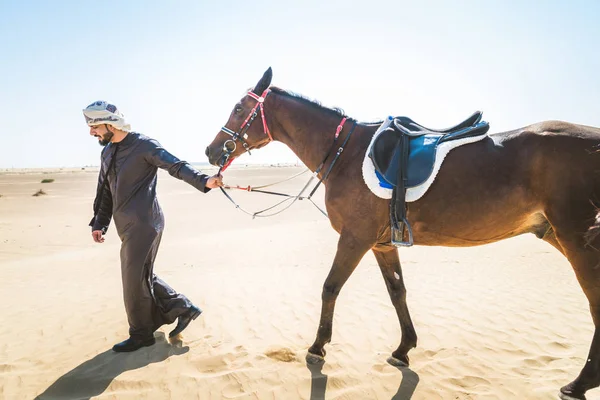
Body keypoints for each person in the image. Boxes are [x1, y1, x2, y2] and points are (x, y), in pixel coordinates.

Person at [83, 100, 223, 352]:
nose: (91, 132)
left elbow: (175, 165)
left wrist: (205, 180)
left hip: (145, 222)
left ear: (109, 123)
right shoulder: (107, 152)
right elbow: (104, 191)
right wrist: (99, 222)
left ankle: (141, 335)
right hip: (125, 224)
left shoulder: (144, 145)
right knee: (139, 274)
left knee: (132, 278)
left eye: (94, 126)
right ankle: (183, 308)